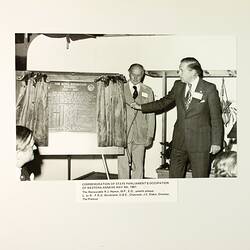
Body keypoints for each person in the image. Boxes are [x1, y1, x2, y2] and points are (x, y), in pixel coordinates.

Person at [131, 57, 224, 178]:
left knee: (199, 179)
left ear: (193, 72)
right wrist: (141, 107)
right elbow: (163, 102)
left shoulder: (209, 88)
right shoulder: (178, 85)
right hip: (179, 142)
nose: (178, 73)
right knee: (174, 178)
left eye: (181, 70)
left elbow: (216, 118)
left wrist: (216, 142)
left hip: (200, 143)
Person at [117, 63, 155, 179]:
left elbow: (151, 115)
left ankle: (137, 191)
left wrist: (150, 135)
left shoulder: (148, 91)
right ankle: (122, 191)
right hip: (123, 135)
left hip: (140, 135)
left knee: (138, 166)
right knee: (123, 166)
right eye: (133, 74)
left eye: (139, 75)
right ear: (129, 72)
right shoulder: (119, 88)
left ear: (143, 75)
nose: (135, 78)